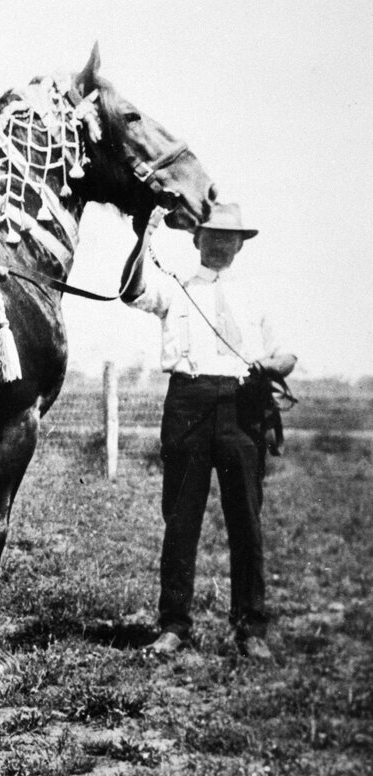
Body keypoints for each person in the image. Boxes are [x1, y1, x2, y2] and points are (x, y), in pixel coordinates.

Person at [121, 202, 296, 659]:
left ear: (240, 243)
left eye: (228, 235)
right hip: (188, 404)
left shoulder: (261, 295)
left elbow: (286, 354)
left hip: (244, 406)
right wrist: (146, 234)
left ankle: (250, 629)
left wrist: (271, 365)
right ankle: (174, 626)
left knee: (247, 521)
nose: (219, 242)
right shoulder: (174, 287)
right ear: (196, 239)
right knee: (181, 520)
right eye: (211, 234)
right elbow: (131, 290)